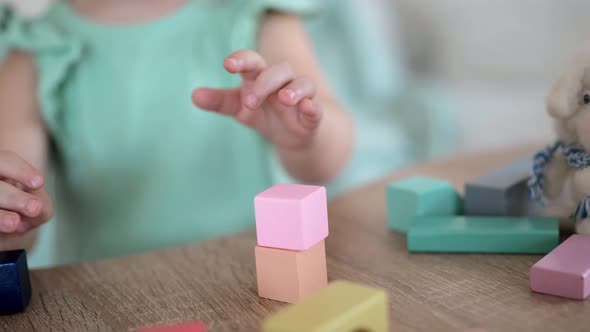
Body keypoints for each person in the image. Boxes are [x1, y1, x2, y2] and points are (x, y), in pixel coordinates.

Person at [0, 0, 354, 266]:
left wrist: (304, 136)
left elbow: (327, 163)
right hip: (107, 302)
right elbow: (19, 223)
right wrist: (10, 220)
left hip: (252, 279)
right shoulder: (35, 45)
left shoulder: (256, 14)